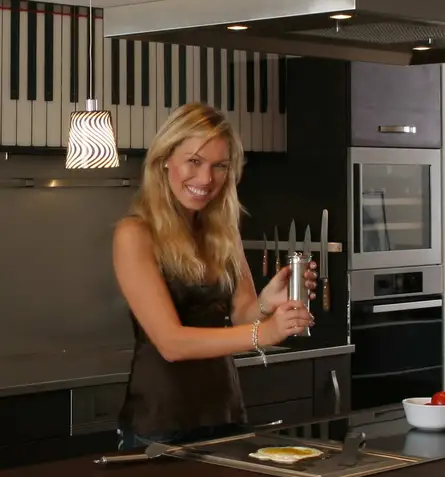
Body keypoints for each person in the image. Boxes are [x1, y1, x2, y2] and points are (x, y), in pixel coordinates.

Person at [113, 103, 318, 450]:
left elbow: (242, 315)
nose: (206, 179)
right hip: (161, 422)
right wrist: (266, 333)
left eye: (219, 166)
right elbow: (171, 343)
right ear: (165, 159)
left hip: (225, 412)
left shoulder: (223, 231)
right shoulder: (135, 234)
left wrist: (268, 302)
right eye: (194, 161)